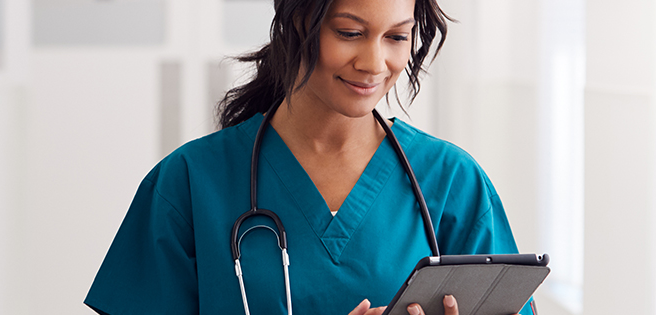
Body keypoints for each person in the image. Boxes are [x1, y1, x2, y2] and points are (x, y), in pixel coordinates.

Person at [84, 0, 536, 314]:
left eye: (396, 37)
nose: (374, 62)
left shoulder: (452, 183)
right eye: (350, 33)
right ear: (299, 20)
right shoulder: (189, 183)